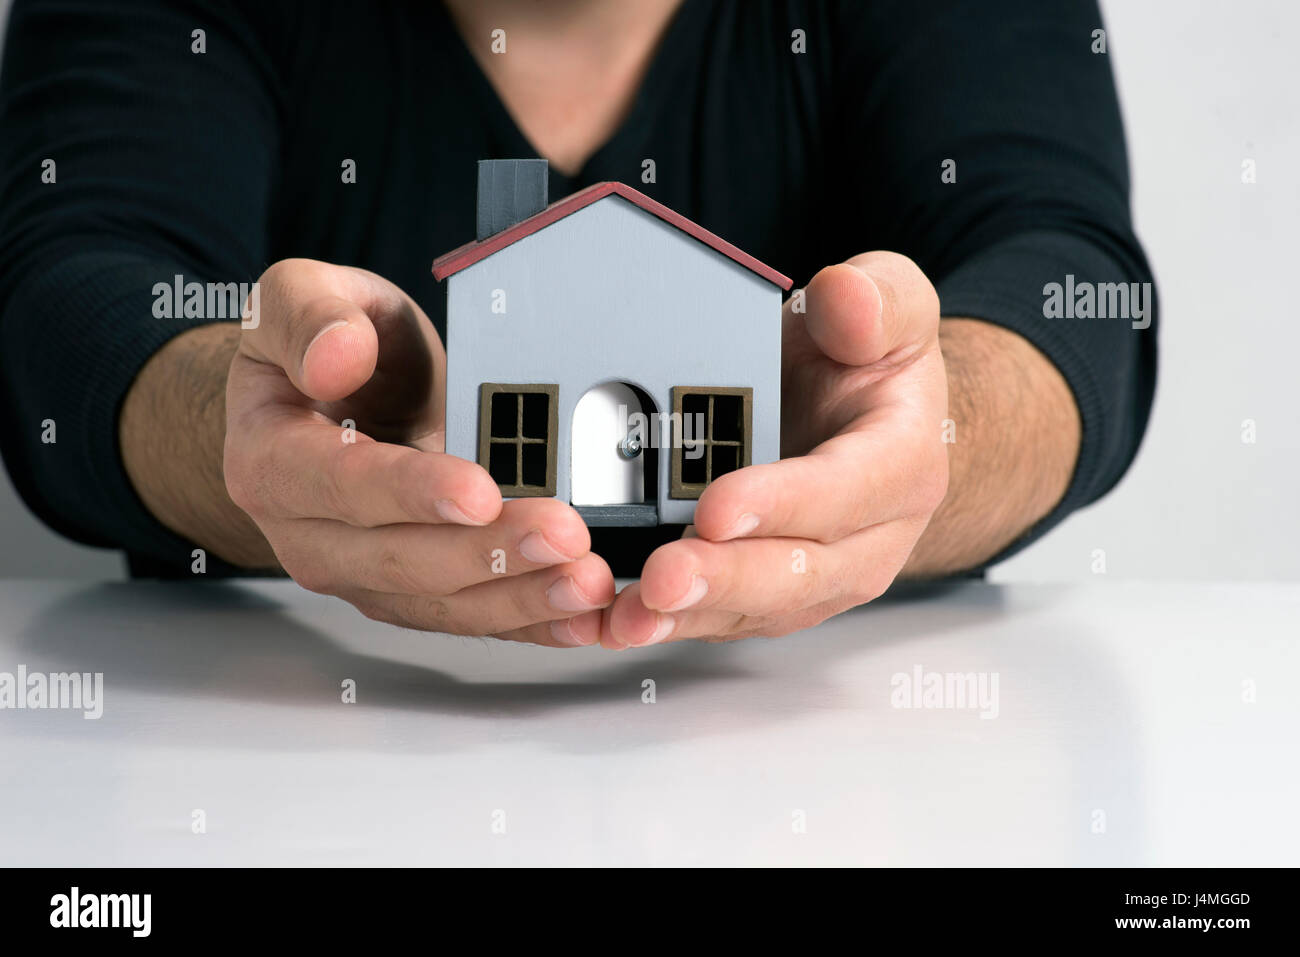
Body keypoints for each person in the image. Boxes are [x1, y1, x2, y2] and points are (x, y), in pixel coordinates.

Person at [0, 0, 1156, 649]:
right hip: (270, 766)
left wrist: (933, 429)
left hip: (845, 767)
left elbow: (1071, 283)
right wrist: (243, 430)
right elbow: (62, 299)